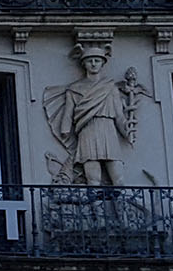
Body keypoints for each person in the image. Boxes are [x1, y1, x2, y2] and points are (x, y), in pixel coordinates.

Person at [53, 45, 130, 186]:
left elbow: (119, 115)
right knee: (93, 179)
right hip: (87, 131)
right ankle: (97, 208)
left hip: (108, 130)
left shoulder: (110, 87)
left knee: (118, 178)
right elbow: (68, 114)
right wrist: (65, 129)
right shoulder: (74, 89)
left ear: (102, 63)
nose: (93, 64)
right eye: (90, 61)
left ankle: (121, 206)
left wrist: (126, 131)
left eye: (97, 60)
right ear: (84, 64)